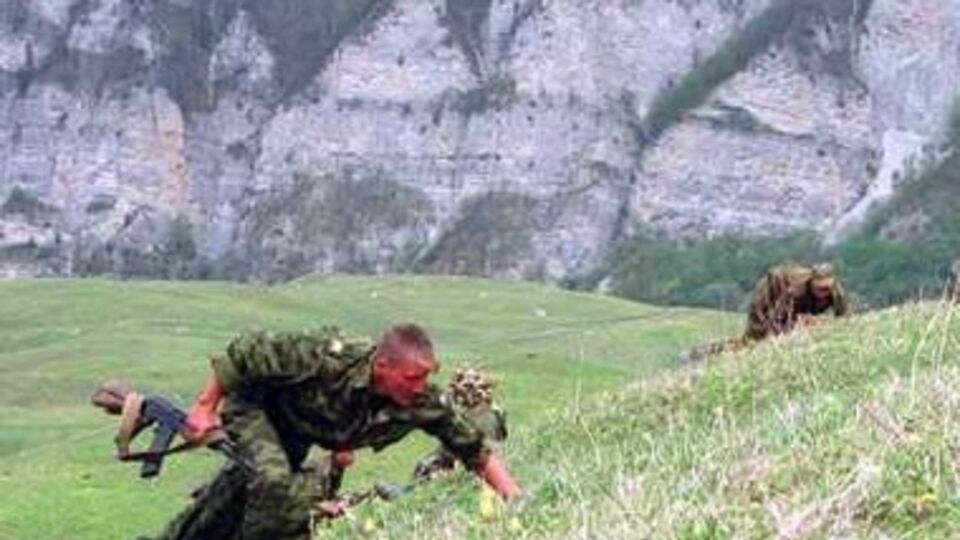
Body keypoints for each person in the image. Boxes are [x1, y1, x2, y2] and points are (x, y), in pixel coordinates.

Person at [143, 323, 519, 540]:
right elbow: (244, 352)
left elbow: (472, 448)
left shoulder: (421, 399)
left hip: (295, 433)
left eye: (426, 377)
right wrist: (205, 407)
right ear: (383, 366)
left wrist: (514, 497)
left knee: (235, 497)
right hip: (257, 409)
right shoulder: (325, 356)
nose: (420, 386)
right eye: (412, 377)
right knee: (276, 486)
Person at [743, 262, 849, 342]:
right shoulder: (796, 289)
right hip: (772, 286)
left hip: (800, 301)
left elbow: (845, 318)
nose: (822, 293)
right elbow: (780, 313)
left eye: (826, 289)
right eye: (819, 288)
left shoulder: (837, 293)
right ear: (812, 282)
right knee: (759, 329)